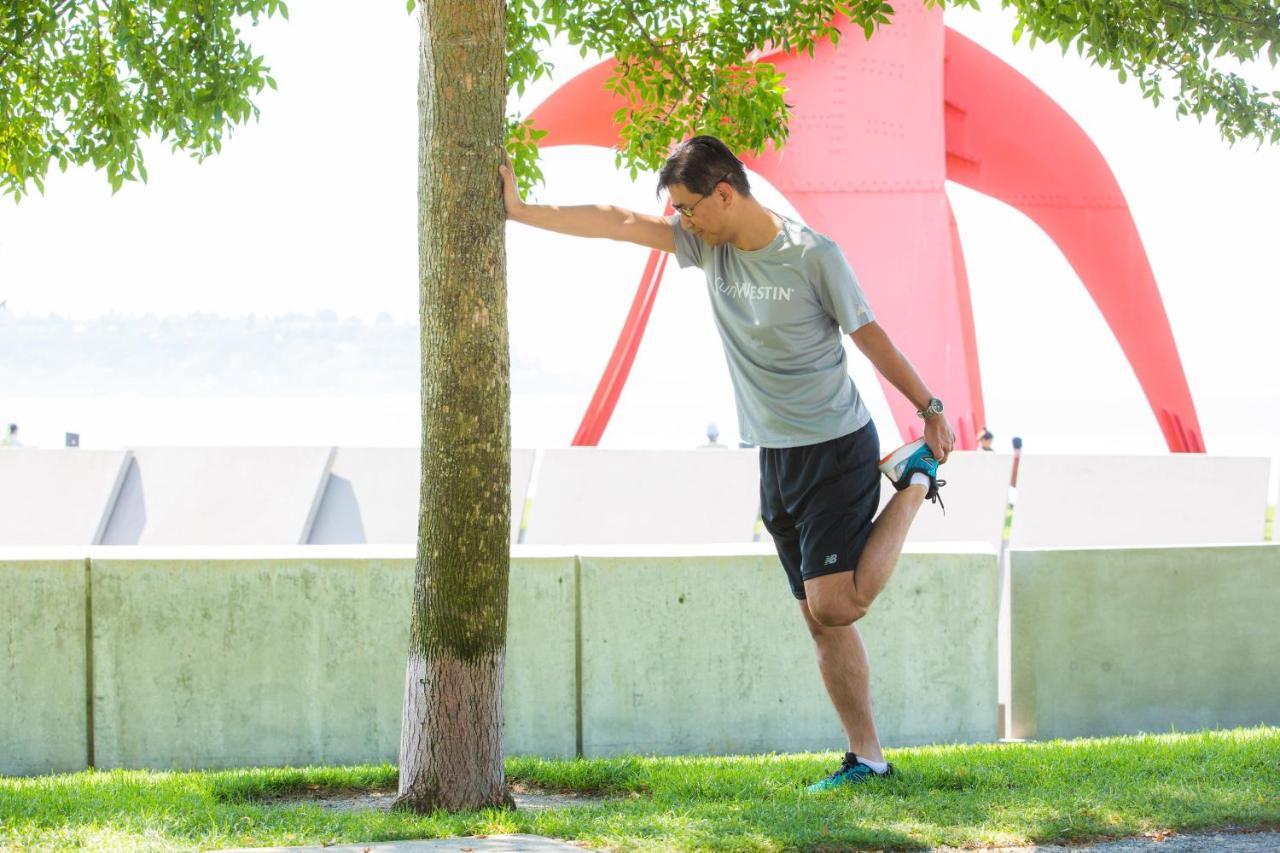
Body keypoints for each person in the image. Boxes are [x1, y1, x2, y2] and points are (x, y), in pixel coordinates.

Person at [500, 135, 955, 791]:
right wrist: (521, 211)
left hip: (834, 444)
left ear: (725, 193)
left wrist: (929, 406)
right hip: (775, 455)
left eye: (688, 206)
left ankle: (912, 481)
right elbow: (617, 223)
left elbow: (870, 334)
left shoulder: (812, 256)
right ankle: (870, 760)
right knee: (815, 617)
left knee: (838, 604)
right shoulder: (705, 246)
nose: (681, 219)